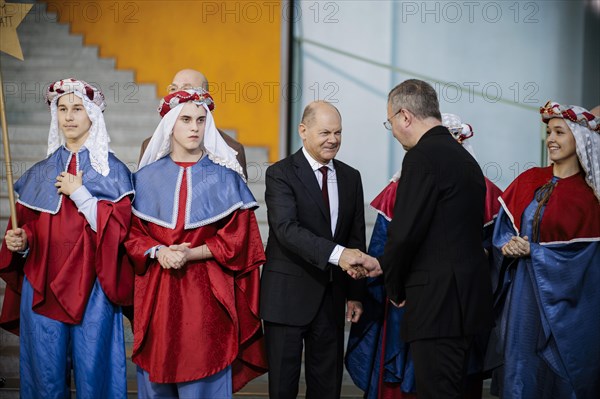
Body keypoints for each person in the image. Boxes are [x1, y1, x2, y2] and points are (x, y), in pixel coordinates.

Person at [351, 80, 494, 399]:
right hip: (466, 304)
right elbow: (443, 235)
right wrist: (381, 264)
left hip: (435, 304)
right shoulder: (466, 160)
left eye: (390, 122)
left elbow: (405, 233)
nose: (393, 131)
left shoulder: (421, 157)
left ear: (404, 116)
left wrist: (394, 286)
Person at [125, 88, 267, 398]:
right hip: (158, 296)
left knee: (204, 373)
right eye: (186, 119)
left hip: (207, 299)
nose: (194, 128)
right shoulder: (145, 178)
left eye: (201, 121)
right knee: (157, 376)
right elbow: (132, 235)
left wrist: (192, 253)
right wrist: (159, 250)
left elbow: (240, 241)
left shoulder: (226, 178)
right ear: (170, 125)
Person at [0, 78, 134, 398]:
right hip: (43, 284)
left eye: (77, 109)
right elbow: (33, 228)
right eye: (62, 109)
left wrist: (81, 194)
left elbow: (119, 233)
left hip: (94, 286)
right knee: (45, 374)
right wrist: (22, 241)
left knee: (95, 372)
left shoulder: (112, 172)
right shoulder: (40, 173)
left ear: (92, 115)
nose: (69, 117)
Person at [491, 101, 600, 398]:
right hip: (523, 297)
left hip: (568, 305)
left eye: (560, 132)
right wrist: (508, 245)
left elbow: (588, 261)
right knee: (521, 365)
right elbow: (501, 233)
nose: (551, 139)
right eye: (549, 132)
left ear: (580, 138)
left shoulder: (590, 198)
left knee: (560, 374)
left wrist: (536, 253)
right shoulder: (528, 181)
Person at [260, 100, 367, 399]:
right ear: (303, 131)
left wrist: (356, 294)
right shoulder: (280, 174)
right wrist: (339, 254)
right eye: (325, 133)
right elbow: (286, 229)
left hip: (332, 300)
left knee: (327, 389)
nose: (333, 139)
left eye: (338, 132)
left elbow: (356, 235)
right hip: (286, 298)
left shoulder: (351, 176)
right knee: (283, 389)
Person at [138, 68, 247, 178]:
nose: (177, 95)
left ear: (204, 97)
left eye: (186, 89)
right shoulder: (149, 145)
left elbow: (237, 192)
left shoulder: (231, 150)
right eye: (173, 88)